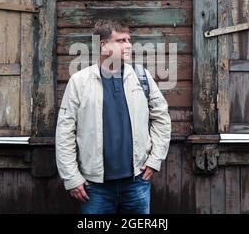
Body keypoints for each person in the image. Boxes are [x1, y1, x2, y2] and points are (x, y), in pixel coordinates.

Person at [55, 20, 171, 214]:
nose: (128, 45)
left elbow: (162, 117)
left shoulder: (141, 76)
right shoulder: (80, 82)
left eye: (129, 40)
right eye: (120, 40)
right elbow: (65, 132)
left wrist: (154, 160)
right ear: (103, 45)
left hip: (137, 182)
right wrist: (72, 178)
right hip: (95, 186)